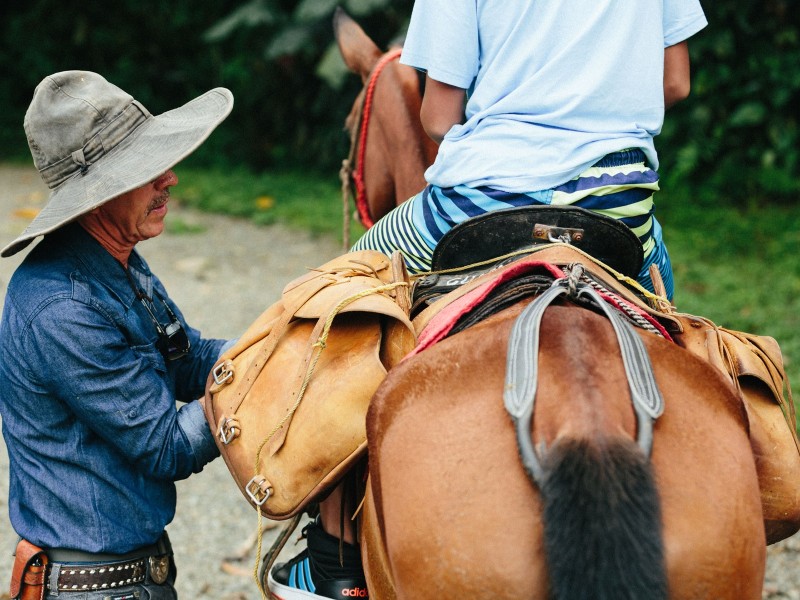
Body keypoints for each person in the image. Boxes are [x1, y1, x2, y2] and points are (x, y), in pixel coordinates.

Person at [269, 0, 707, 598]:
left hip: (487, 198)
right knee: (667, 318)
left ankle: (333, 559)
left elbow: (439, 119)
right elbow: (675, 82)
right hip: (619, 206)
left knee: (342, 290)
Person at [0, 70, 234, 599]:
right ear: (96, 195)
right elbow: (167, 445)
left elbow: (189, 358)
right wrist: (262, 383)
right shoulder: (62, 307)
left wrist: (282, 341)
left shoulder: (117, 261)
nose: (169, 178)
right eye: (147, 169)